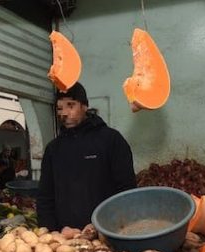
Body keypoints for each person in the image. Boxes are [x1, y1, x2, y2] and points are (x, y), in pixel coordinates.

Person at [36, 82, 136, 230]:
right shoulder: (53, 149)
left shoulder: (111, 140)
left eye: (70, 105)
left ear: (85, 106)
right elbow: (45, 197)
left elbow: (126, 191)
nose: (64, 113)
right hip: (65, 239)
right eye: (59, 108)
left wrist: (115, 228)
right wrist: (51, 233)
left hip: (106, 234)